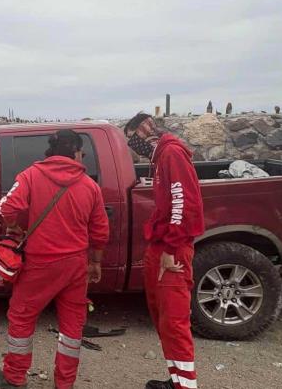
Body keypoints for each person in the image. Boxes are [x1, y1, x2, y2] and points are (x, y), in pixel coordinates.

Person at [0, 130, 109, 389]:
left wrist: (14, 227)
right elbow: (100, 230)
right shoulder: (90, 186)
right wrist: (95, 262)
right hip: (75, 265)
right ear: (75, 152)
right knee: (72, 325)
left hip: (39, 264)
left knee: (22, 316)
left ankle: (15, 377)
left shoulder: (30, 176)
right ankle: (64, 383)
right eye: (81, 153)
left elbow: (6, 207)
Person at [124, 113, 205, 389]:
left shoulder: (171, 155)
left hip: (173, 248)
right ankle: (177, 380)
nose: (134, 145)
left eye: (133, 137)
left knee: (174, 321)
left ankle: (185, 385)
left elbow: (184, 204)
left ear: (146, 130)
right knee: (164, 320)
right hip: (163, 245)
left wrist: (170, 248)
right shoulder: (161, 158)